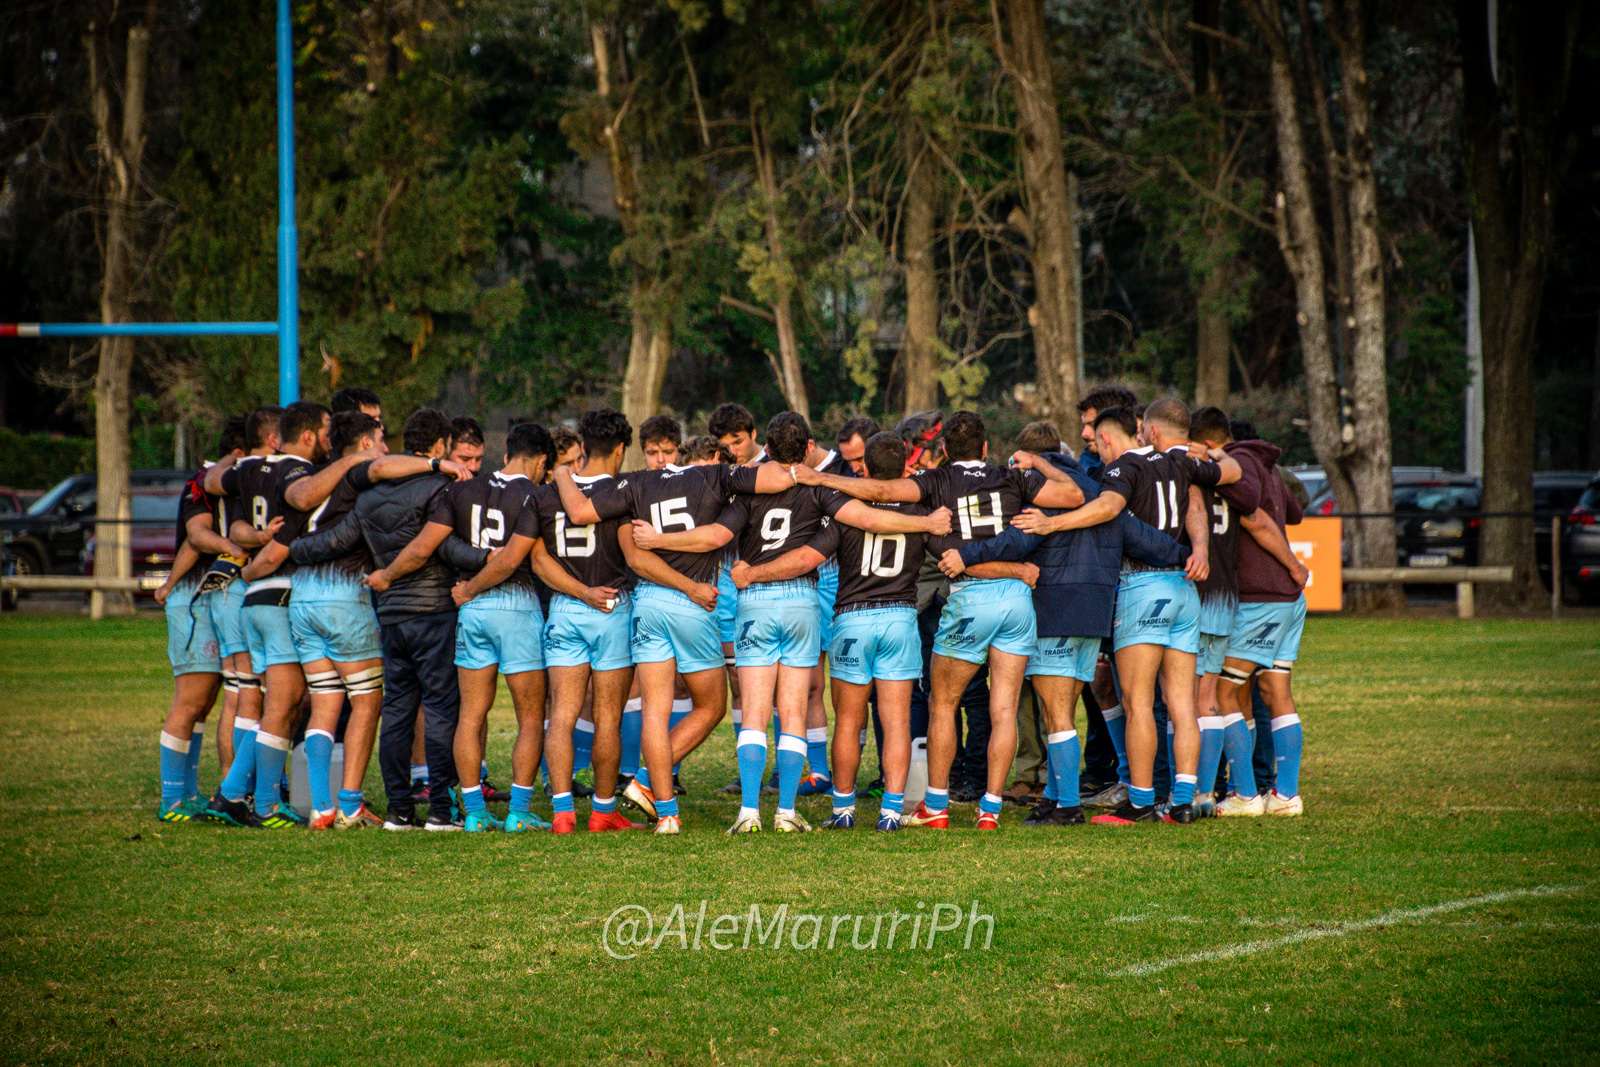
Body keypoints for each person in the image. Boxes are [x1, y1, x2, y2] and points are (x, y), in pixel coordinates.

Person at [632, 413, 949, 833]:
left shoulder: (746, 492)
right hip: (805, 603)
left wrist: (662, 542)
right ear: (808, 448)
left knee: (754, 712)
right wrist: (926, 522)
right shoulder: (822, 492)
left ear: (766, 446)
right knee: (796, 712)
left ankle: (749, 811)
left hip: (755, 605)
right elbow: (861, 524)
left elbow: (716, 537)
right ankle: (788, 812)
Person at [796, 409, 1086, 830]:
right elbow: (1074, 495)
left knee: (941, 704)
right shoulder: (1012, 477)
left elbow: (884, 496)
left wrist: (822, 479)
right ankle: (989, 810)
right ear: (985, 447)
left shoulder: (936, 482)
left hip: (962, 599)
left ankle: (931, 805)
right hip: (1015, 601)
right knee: (1004, 707)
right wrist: (1037, 461)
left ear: (945, 450)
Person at [1012, 400, 1238, 825]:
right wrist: (1200, 550)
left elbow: (1109, 509)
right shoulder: (1182, 462)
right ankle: (1183, 801)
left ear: (1121, 435)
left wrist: (1051, 524)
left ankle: (1140, 801)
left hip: (1143, 585)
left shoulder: (1125, 468)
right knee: (1182, 703)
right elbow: (1209, 493)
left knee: (1137, 703)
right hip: (1185, 588)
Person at [945, 438, 1188, 827]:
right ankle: (1054, 798)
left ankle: (1069, 808)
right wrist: (1190, 556)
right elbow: (1149, 541)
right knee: (1061, 712)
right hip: (1095, 614)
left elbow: (1014, 542)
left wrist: (965, 555)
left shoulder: (1045, 501)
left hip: (1055, 610)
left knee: (1057, 715)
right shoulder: (1106, 500)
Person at [730, 431, 943, 831]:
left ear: (864, 470)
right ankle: (891, 812)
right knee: (897, 721)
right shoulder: (919, 512)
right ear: (905, 469)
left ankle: (843, 809)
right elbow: (948, 552)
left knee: (848, 719)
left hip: (853, 617)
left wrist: (753, 573)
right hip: (900, 617)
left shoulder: (846, 509)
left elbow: (809, 556)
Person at [288, 408, 481, 831]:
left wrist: (294, 548)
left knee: (396, 712)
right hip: (433, 612)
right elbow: (442, 548)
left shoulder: (370, 497)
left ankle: (399, 811)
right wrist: (488, 560)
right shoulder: (441, 487)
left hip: (391, 617)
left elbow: (335, 541)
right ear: (440, 445)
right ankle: (441, 811)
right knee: (440, 709)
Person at [201, 401, 332, 828]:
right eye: (325, 431)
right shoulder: (302, 475)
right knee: (282, 703)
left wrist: (252, 553)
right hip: (278, 596)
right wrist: (257, 563)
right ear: (308, 436)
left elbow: (217, 490)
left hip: (255, 600)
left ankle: (235, 794)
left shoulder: (251, 470)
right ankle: (260, 802)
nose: (329, 439)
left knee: (272, 701)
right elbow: (279, 548)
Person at [1204, 425, 1312, 817]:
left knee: (1222, 692)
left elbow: (1255, 520)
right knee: (1273, 689)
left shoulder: (1234, 467)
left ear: (1209, 444)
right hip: (1288, 599)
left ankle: (1246, 795)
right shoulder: (1267, 466)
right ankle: (1285, 795)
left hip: (1261, 597)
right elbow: (1296, 511)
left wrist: (1293, 564)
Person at [151, 421, 252, 821]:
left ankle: (188, 793)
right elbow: (196, 536)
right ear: (239, 455)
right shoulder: (202, 483)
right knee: (190, 700)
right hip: (193, 600)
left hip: (209, 598)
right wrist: (232, 548)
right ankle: (171, 799)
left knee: (205, 702)